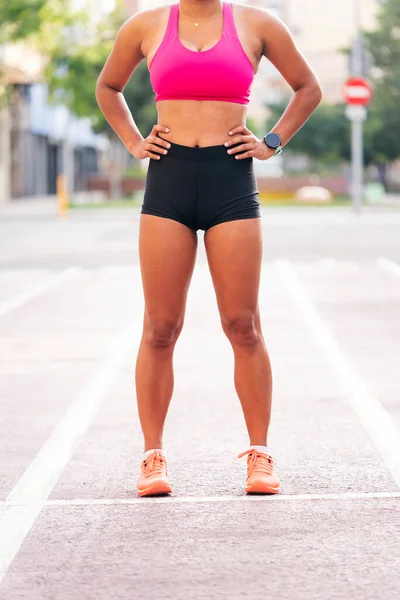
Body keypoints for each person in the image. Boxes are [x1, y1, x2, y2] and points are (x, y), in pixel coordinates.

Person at [96, 0, 322, 497]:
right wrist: (134, 142)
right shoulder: (147, 24)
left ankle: (259, 455)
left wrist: (272, 142)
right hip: (168, 181)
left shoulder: (259, 23)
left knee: (243, 324)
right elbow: (107, 87)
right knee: (160, 327)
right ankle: (152, 457)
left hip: (231, 180)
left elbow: (309, 88)